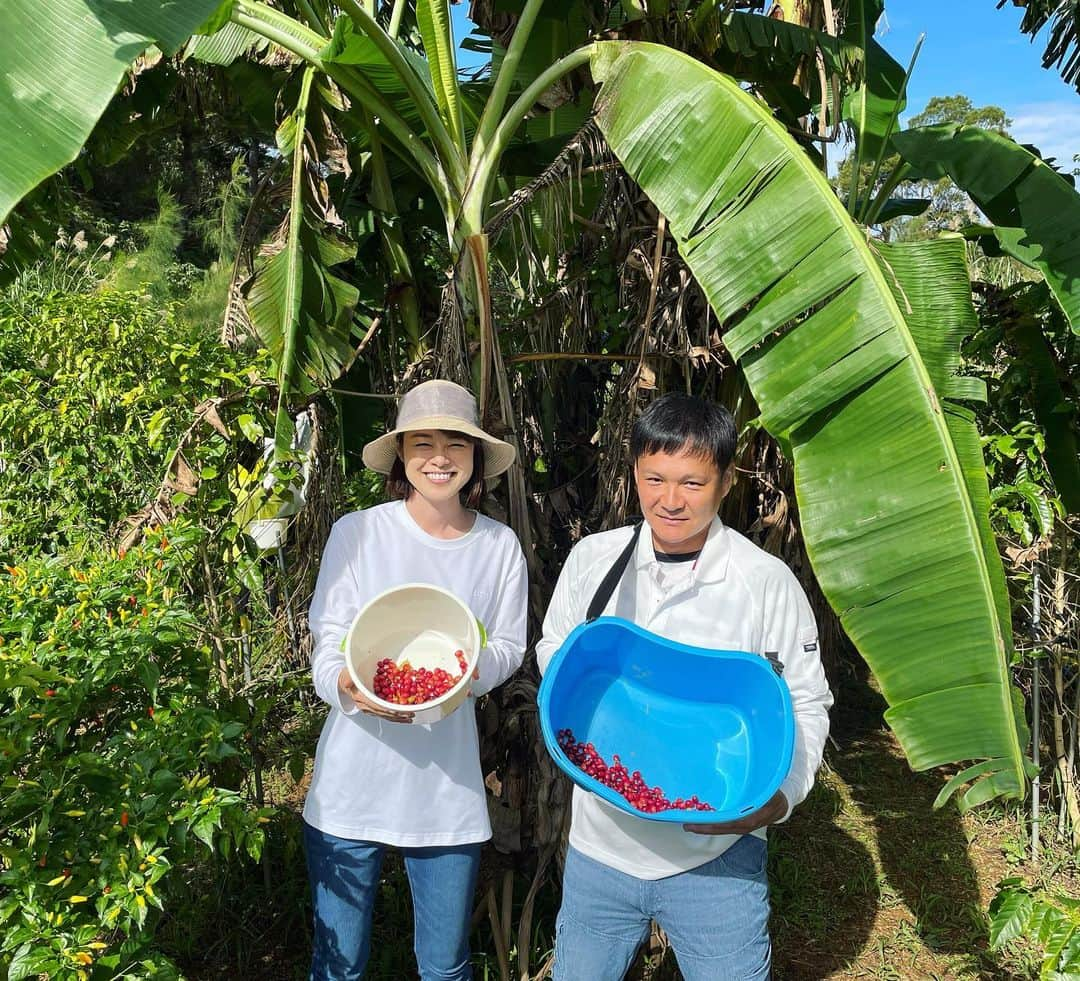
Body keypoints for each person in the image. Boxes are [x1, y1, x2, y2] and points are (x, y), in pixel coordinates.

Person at [537, 393, 832, 981]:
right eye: (655, 479)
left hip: (716, 858)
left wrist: (782, 797)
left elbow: (804, 698)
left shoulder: (764, 582)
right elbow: (555, 652)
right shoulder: (593, 562)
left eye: (692, 483)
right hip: (601, 848)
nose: (670, 501)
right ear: (636, 475)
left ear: (725, 482)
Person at [303, 379, 528, 981]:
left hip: (446, 789)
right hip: (351, 786)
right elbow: (329, 637)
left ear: (475, 456)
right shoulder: (359, 532)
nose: (439, 457)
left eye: (455, 443)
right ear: (401, 455)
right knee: (338, 964)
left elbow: (508, 644)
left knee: (446, 966)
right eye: (422, 442)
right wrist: (346, 686)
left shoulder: (498, 546)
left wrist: (468, 679)